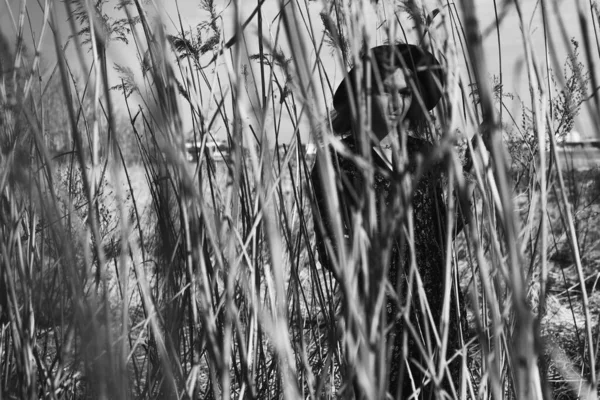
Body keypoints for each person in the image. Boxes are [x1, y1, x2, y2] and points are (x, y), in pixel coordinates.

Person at [310, 43, 468, 399]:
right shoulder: (337, 162)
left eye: (405, 92)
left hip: (435, 304)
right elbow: (331, 249)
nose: (398, 103)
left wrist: (467, 200)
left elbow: (439, 234)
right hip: (379, 313)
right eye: (386, 92)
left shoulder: (423, 155)